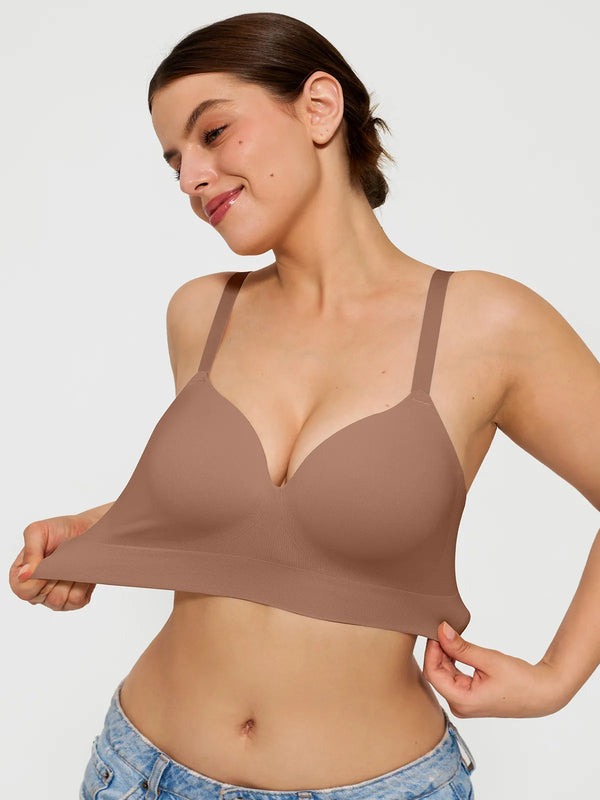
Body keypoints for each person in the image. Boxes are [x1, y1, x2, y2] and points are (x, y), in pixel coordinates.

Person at [9, 11, 600, 800]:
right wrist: (95, 530)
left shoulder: (487, 324)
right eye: (175, 160)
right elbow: (255, 516)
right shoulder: (201, 314)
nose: (190, 178)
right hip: (140, 771)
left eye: (213, 133)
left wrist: (558, 677)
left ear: (319, 108)